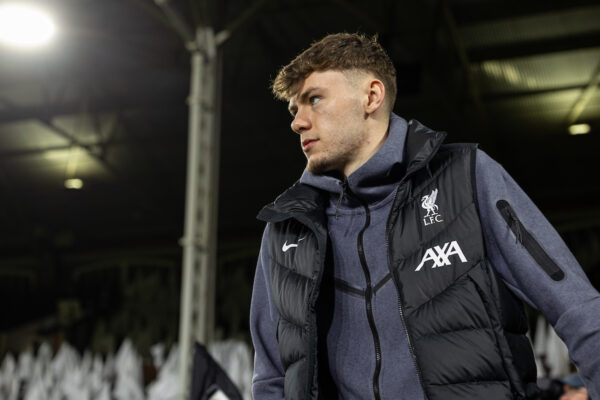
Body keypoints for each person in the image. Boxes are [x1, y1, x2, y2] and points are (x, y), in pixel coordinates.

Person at [249, 33, 600, 400]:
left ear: (371, 96)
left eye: (314, 99)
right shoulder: (288, 230)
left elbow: (579, 311)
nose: (298, 122)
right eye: (294, 109)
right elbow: (272, 378)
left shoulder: (467, 179)